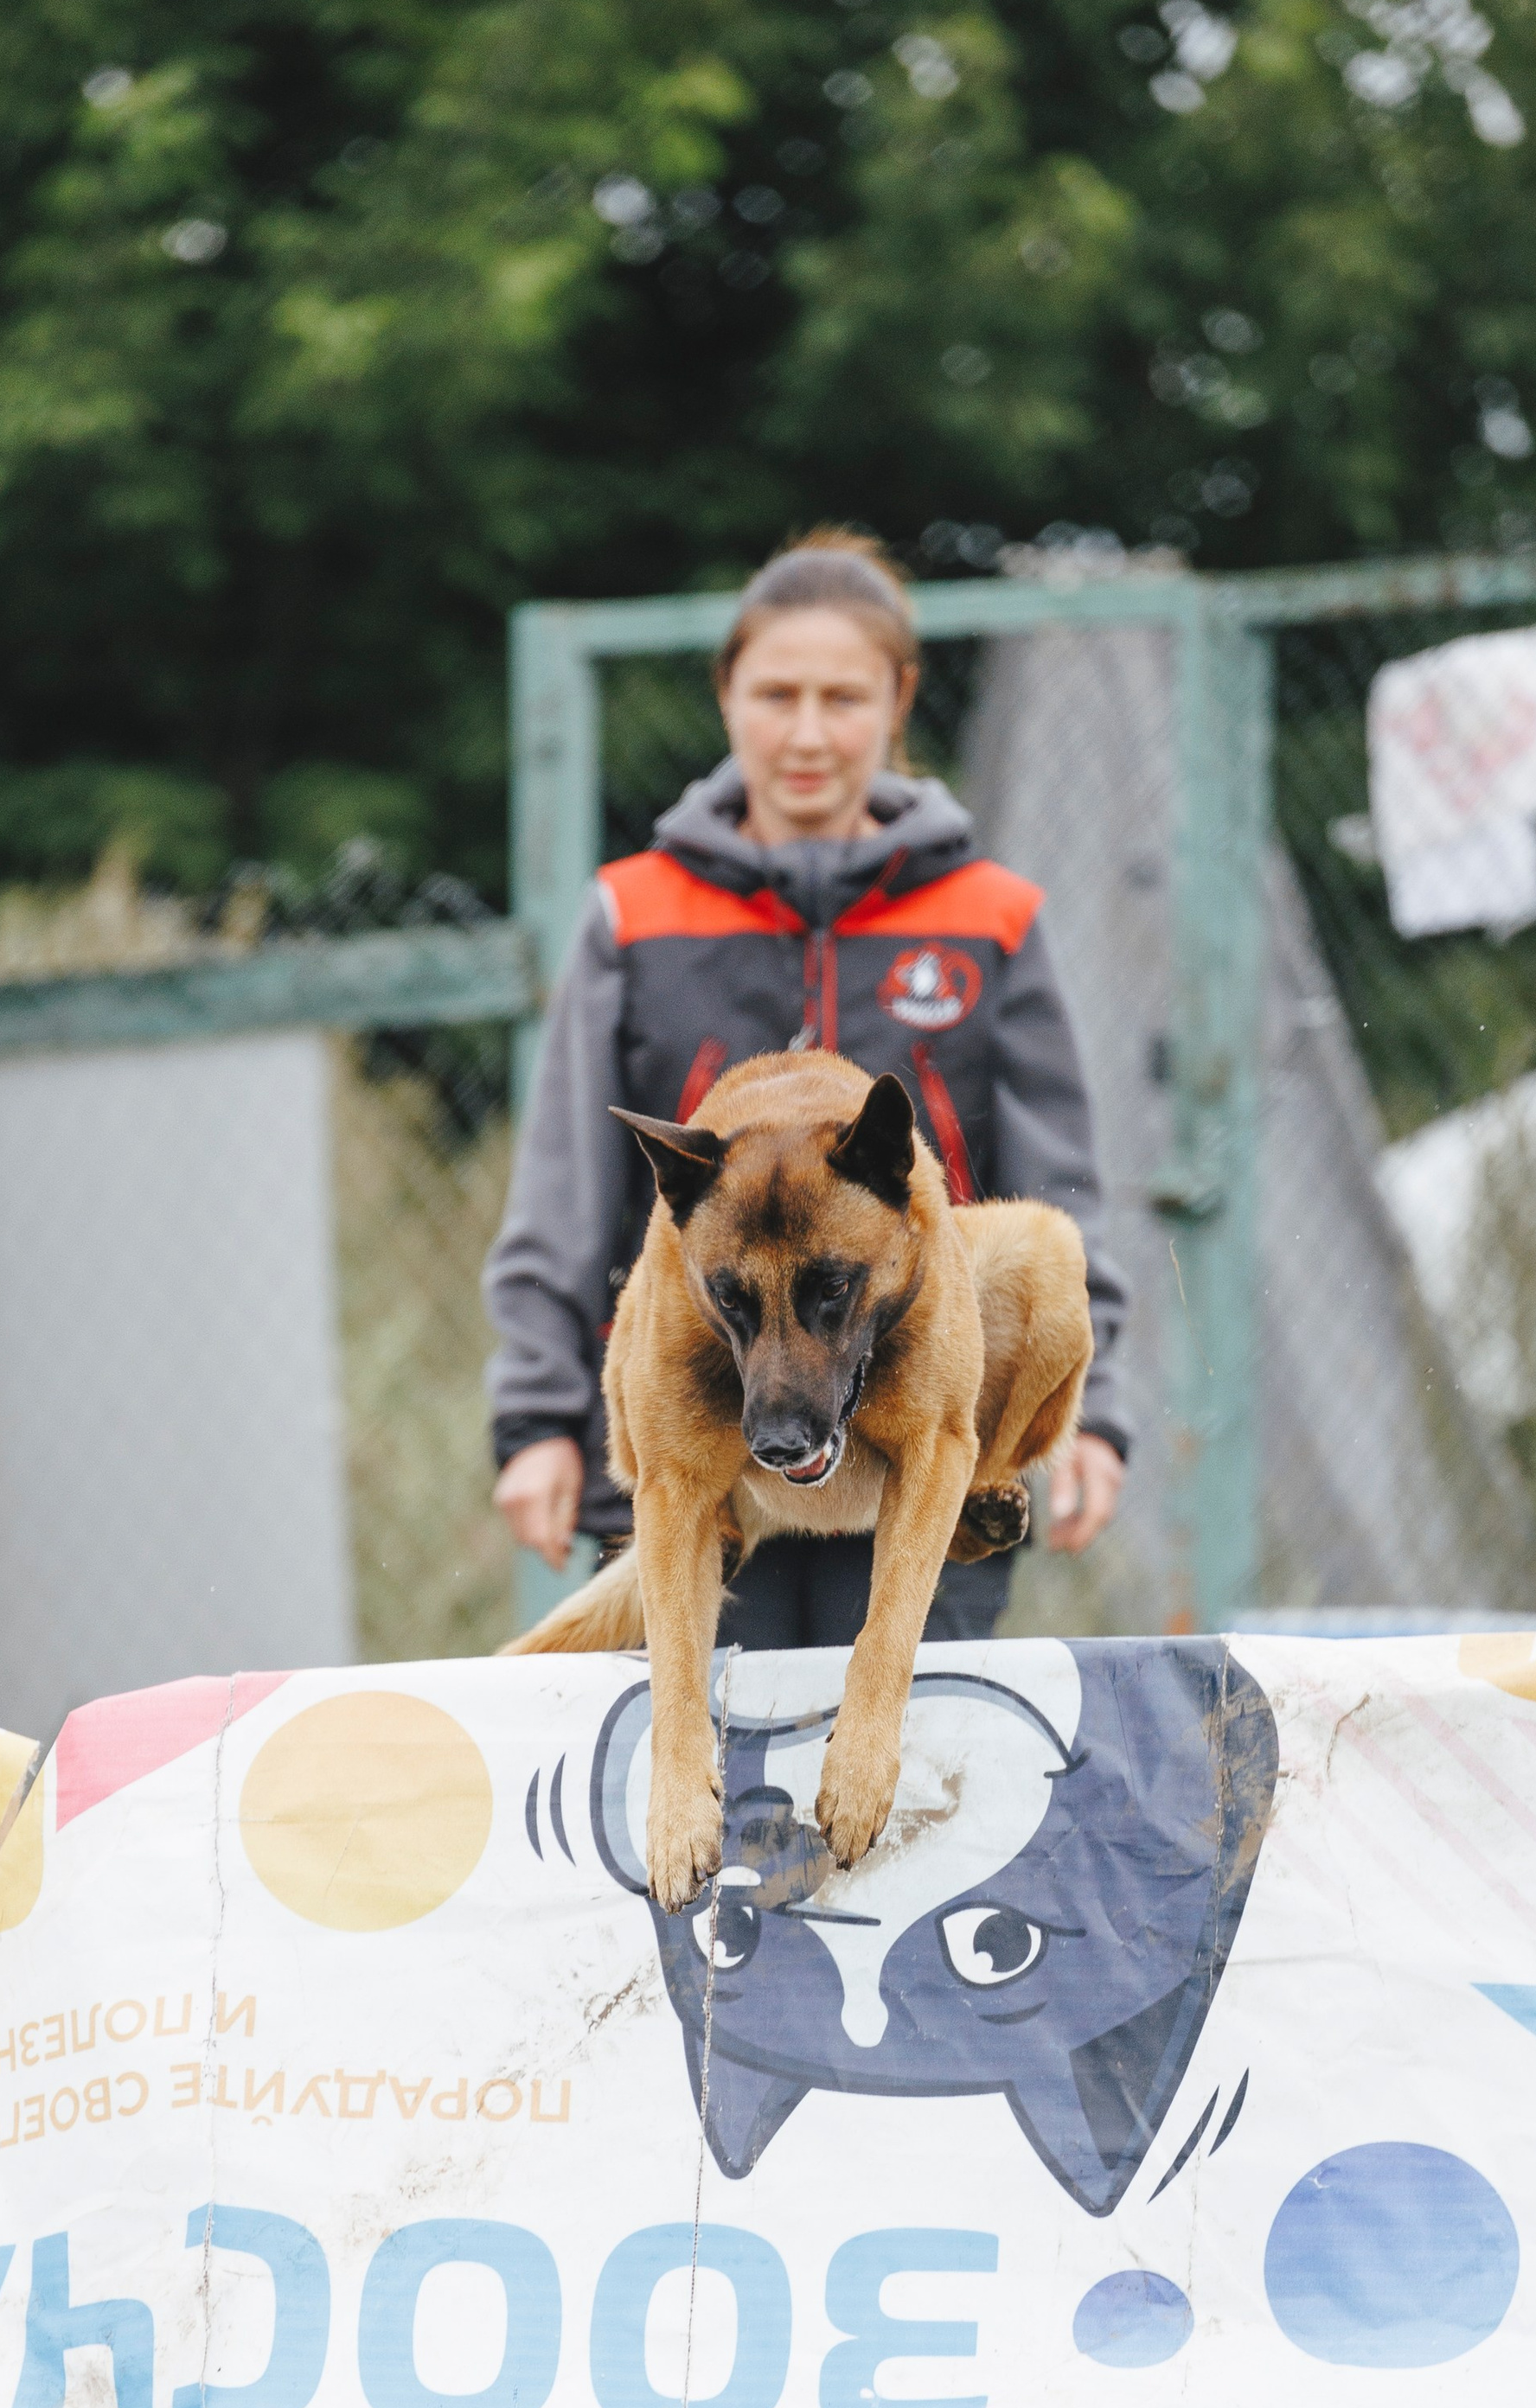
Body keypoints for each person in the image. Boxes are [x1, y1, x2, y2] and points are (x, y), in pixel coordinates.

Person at [483, 530, 1129, 1648]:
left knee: (904, 1786)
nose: (810, 731)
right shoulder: (634, 914)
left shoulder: (991, 916)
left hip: (917, 1423)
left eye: (846, 696)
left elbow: (1059, 1187)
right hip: (704, 1417)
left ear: (900, 699)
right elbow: (564, 1185)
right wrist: (537, 1416)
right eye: (777, 693)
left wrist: (1094, 1415)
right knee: (692, 1786)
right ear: (728, 693)